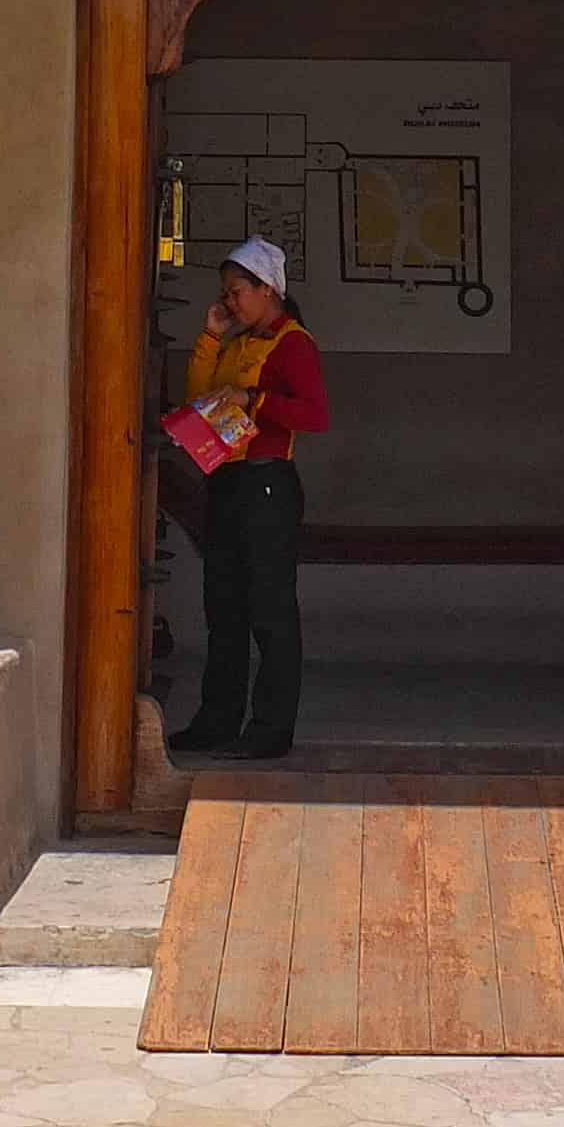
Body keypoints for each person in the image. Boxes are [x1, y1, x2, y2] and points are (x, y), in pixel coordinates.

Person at [166, 235, 329, 762]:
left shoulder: (292, 343)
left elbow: (314, 415)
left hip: (267, 482)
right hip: (228, 480)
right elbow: (199, 397)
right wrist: (211, 339)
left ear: (268, 289)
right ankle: (217, 721)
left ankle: (269, 729)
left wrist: (255, 399)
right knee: (225, 610)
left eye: (237, 291)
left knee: (270, 613)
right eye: (227, 293)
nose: (230, 301)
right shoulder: (240, 341)